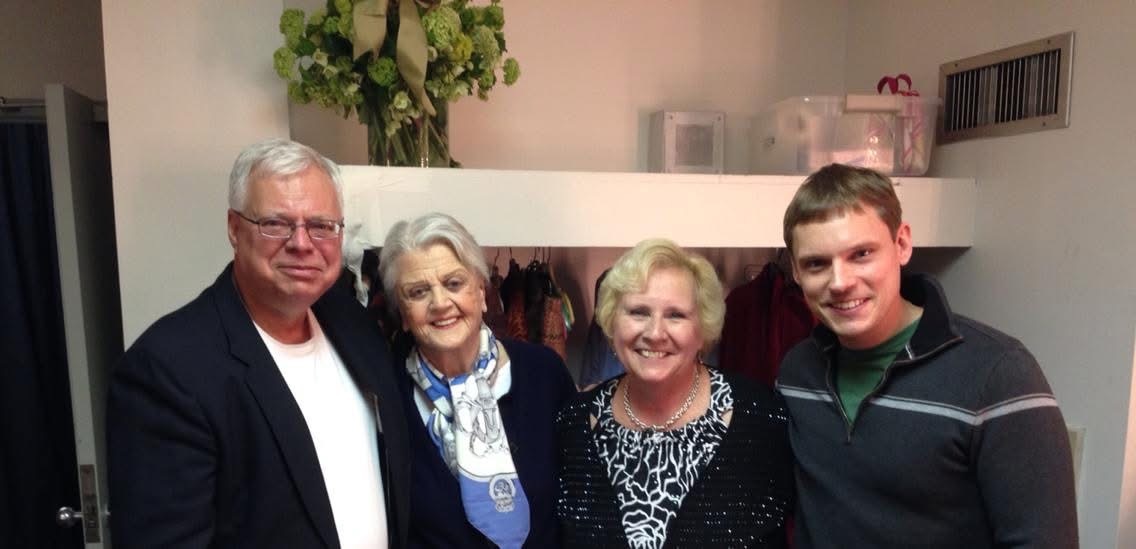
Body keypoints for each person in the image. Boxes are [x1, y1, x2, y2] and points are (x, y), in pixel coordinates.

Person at [106, 138, 409, 548]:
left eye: (321, 225)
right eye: (276, 223)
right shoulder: (166, 371)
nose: (302, 243)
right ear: (234, 229)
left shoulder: (353, 323)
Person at [777, 163, 1078, 548]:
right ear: (796, 272)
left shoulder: (999, 375)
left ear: (902, 244)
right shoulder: (797, 373)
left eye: (861, 254)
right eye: (816, 263)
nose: (840, 282)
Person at [557, 238, 794, 548]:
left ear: (703, 329)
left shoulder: (764, 419)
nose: (655, 333)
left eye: (676, 315)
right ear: (612, 323)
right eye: (638, 312)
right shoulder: (572, 423)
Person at [379, 212, 576, 548]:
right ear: (403, 314)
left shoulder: (544, 374)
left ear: (482, 293)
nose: (440, 303)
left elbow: (576, 500)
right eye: (418, 292)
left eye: (454, 283)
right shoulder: (386, 394)